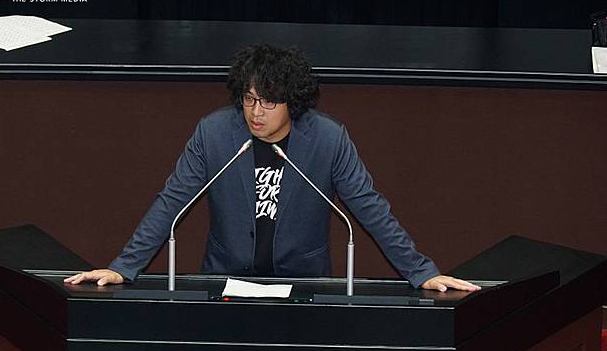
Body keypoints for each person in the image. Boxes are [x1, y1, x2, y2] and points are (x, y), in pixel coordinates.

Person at [65, 44, 480, 293]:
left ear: (292, 102)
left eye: (268, 102)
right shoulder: (214, 133)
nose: (255, 112)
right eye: (248, 99)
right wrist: (123, 267)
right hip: (225, 280)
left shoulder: (328, 139)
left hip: (304, 283)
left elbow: (370, 208)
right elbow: (171, 202)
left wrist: (421, 272)